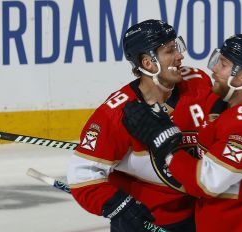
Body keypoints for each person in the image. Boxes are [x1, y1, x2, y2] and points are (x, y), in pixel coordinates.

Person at [122, 34, 242, 231]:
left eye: (222, 64)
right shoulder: (225, 104)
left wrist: (165, 147)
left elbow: (207, 182)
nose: (213, 69)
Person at [67, 19, 213, 232]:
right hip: (147, 222)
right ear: (147, 63)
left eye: (177, 46)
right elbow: (82, 174)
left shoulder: (198, 82)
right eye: (170, 51)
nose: (180, 56)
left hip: (197, 215)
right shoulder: (116, 113)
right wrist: (118, 206)